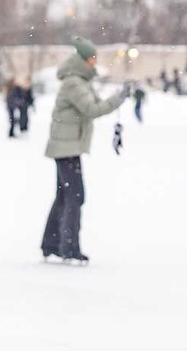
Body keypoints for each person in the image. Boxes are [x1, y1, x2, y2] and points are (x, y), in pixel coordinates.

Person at [41, 37, 128, 265]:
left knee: (65, 195)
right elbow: (91, 109)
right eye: (90, 59)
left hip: (68, 147)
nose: (93, 63)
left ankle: (51, 244)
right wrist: (118, 99)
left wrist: (114, 98)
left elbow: (94, 104)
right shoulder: (73, 83)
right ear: (81, 60)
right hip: (66, 148)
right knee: (75, 195)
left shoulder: (80, 81)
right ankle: (69, 247)